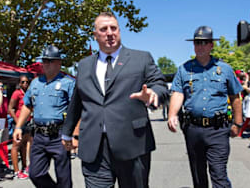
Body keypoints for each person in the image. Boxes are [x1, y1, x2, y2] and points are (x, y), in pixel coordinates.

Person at [61, 12, 169, 188]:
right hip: (94, 147)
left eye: (114, 28)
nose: (110, 33)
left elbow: (160, 84)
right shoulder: (84, 65)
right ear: (95, 35)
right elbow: (78, 100)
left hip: (132, 144)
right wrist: (67, 132)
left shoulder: (141, 58)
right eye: (103, 29)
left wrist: (153, 93)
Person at [168, 26, 243, 188]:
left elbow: (235, 97)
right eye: (197, 43)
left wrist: (238, 123)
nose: (200, 46)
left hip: (218, 129)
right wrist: (172, 114)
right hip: (193, 129)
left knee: (219, 173)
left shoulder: (225, 69)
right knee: (198, 173)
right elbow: (178, 93)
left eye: (204, 42)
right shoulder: (184, 69)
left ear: (211, 45)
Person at [13, 45, 75, 188]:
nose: (45, 64)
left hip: (59, 135)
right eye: (44, 61)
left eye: (49, 61)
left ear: (59, 63)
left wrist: (74, 134)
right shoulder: (35, 83)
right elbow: (27, 105)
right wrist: (18, 127)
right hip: (39, 135)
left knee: (63, 178)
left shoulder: (68, 83)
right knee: (35, 174)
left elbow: (76, 110)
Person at [9, 75, 32, 179]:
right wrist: (17, 122)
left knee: (24, 145)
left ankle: (24, 166)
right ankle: (16, 171)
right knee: (16, 145)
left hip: (28, 122)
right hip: (18, 122)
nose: (25, 84)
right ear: (19, 83)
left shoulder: (29, 93)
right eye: (23, 82)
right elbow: (10, 108)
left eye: (27, 82)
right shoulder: (16, 93)